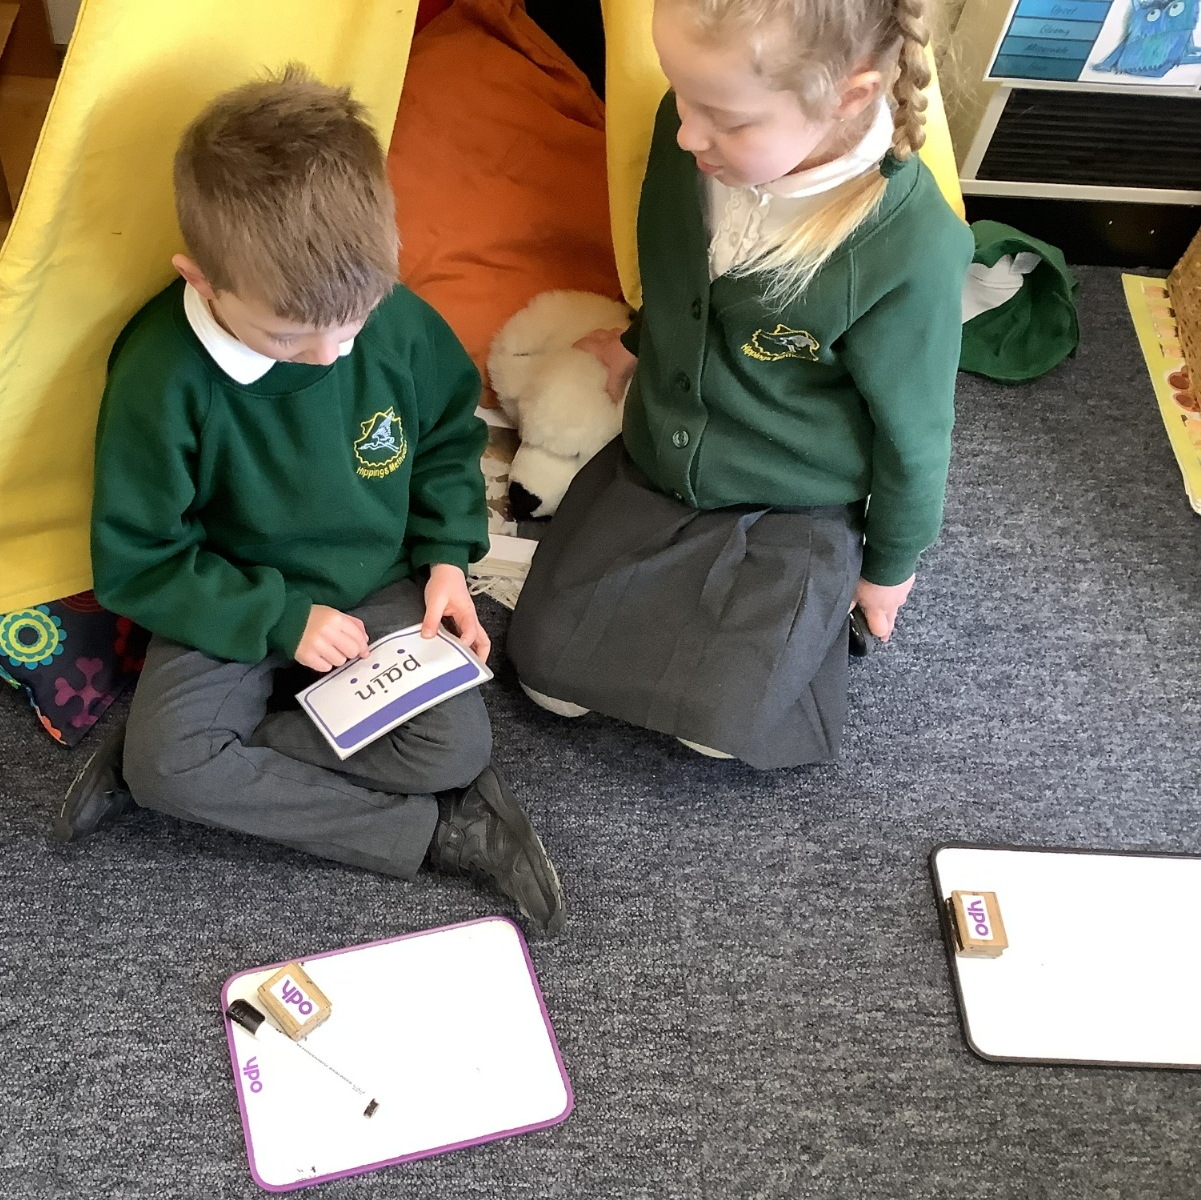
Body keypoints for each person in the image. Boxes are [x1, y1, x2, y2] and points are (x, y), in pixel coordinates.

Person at [56, 67, 566, 935]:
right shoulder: (159, 375)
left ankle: (182, 762)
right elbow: (141, 561)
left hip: (377, 582)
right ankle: (439, 834)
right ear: (202, 281)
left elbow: (448, 437)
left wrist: (447, 560)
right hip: (231, 596)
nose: (330, 355)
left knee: (455, 748)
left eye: (353, 325)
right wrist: (282, 620)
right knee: (176, 764)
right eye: (289, 335)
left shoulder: (393, 319)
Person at [507, 0, 973, 768]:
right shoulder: (693, 138)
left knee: (723, 724)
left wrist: (891, 567)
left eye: (725, 118)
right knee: (544, 670)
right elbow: (677, 279)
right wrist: (639, 343)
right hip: (660, 460)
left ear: (848, 97)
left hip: (792, 499)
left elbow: (916, 436)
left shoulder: (912, 246)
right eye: (682, 95)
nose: (686, 133)